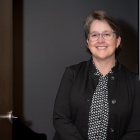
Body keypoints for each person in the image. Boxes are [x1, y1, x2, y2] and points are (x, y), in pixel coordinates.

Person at [53, 10, 140, 140]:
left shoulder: (134, 81)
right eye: (94, 35)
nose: (100, 40)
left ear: (117, 41)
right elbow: (60, 118)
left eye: (106, 34)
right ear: (88, 41)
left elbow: (135, 130)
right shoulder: (72, 73)